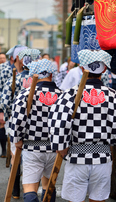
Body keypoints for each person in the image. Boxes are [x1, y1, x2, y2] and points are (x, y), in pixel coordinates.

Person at [48, 49, 116, 202]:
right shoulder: (115, 97)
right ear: (104, 69)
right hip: (103, 159)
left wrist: (61, 148)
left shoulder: (69, 95)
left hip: (76, 158)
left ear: (82, 68)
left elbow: (58, 123)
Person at [10, 59, 63, 202]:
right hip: (54, 147)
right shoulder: (63, 95)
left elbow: (17, 120)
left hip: (32, 147)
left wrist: (17, 140)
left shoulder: (25, 94)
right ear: (51, 75)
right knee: (48, 186)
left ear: (32, 75)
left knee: (30, 188)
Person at [0, 48, 41, 199]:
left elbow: (5, 102)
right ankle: (35, 189)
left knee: (15, 154)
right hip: (38, 124)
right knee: (37, 156)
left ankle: (16, 191)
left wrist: (10, 113)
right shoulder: (41, 81)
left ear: (21, 60)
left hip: (16, 121)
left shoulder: (16, 79)